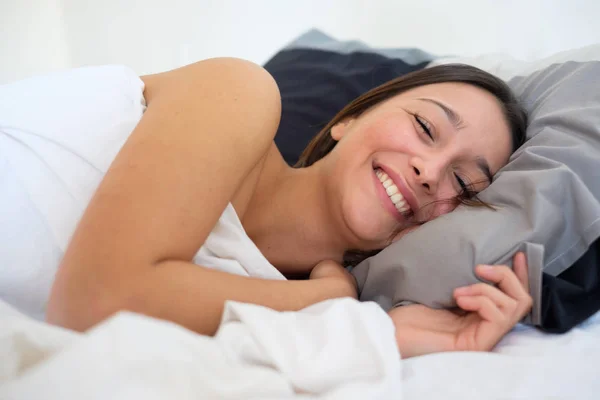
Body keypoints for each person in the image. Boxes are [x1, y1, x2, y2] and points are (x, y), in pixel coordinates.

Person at [43, 57, 531, 358]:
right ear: (351, 118)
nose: (429, 171)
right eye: (425, 127)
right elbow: (96, 301)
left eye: (464, 184)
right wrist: (326, 302)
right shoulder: (241, 94)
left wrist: (377, 334)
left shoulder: (286, 313)